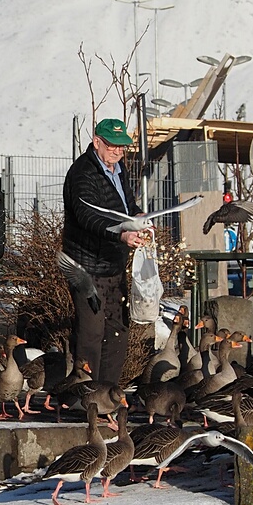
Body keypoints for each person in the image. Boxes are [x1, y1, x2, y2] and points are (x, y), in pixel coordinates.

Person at [61, 118, 147, 385]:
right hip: (86, 266)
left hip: (112, 264)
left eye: (122, 147)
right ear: (97, 142)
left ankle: (108, 394)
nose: (118, 152)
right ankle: (86, 396)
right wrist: (122, 234)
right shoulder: (82, 173)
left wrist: (140, 217)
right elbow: (88, 216)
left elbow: (126, 206)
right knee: (92, 331)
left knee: (117, 329)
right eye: (112, 146)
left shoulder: (118, 169)